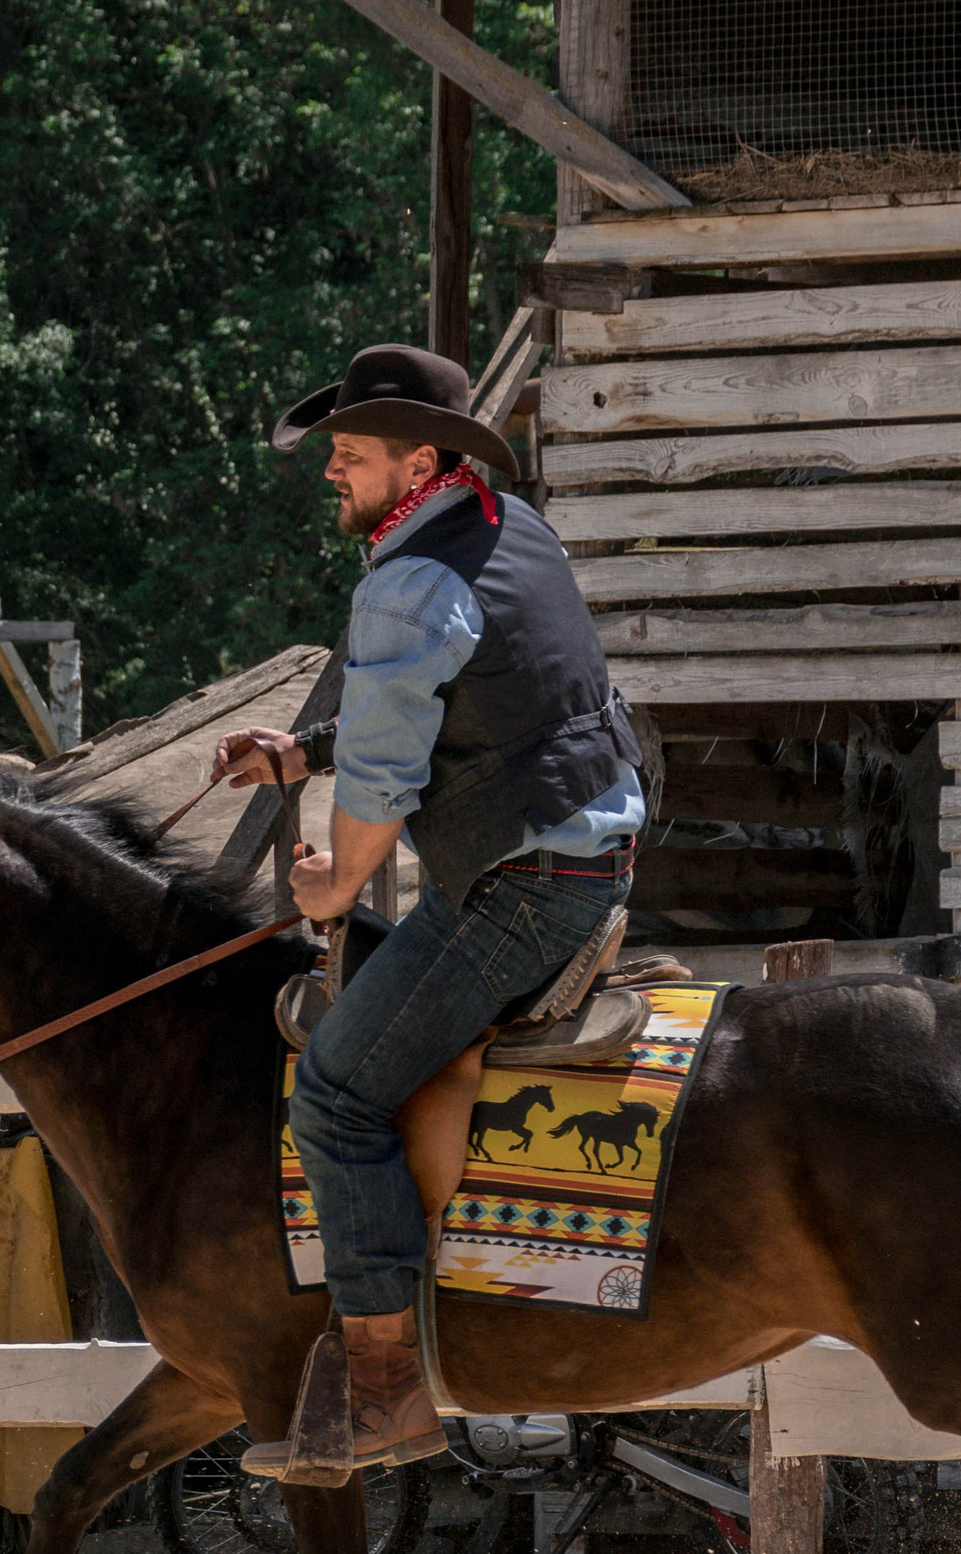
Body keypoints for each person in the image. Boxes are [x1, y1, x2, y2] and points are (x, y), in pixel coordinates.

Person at [210, 343, 646, 1477]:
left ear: (420, 462)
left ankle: (386, 1392)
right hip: (583, 859)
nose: (329, 473)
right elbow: (457, 707)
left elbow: (384, 785)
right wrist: (300, 748)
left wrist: (336, 883)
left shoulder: (409, 581)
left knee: (340, 1091)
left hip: (522, 890)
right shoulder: (508, 525)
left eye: (349, 454)